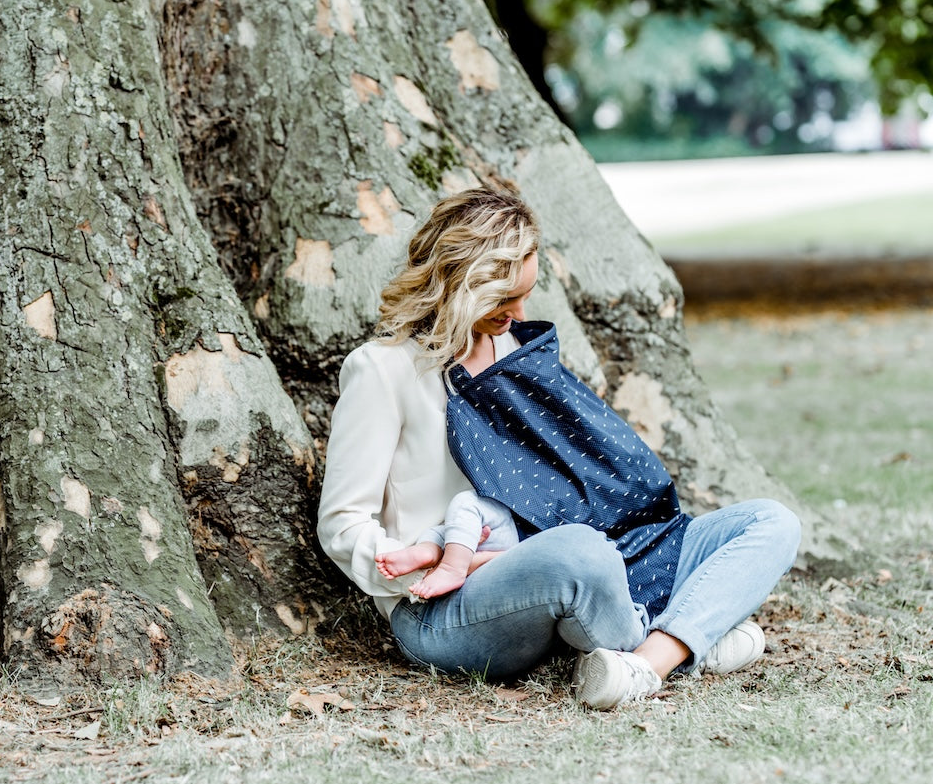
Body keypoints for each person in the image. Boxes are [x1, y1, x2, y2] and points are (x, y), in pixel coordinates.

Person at [316, 187, 801, 709]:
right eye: (504, 298)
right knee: (581, 550)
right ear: (461, 283)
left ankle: (647, 662)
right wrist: (442, 565)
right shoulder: (384, 370)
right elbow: (342, 525)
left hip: (566, 563)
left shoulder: (519, 351)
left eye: (526, 293)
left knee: (772, 522)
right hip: (448, 608)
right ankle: (692, 641)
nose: (520, 310)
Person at [376, 490, 519, 600]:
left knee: (466, 504)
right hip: (507, 540)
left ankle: (450, 567)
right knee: (452, 530)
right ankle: (431, 550)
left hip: (514, 542)